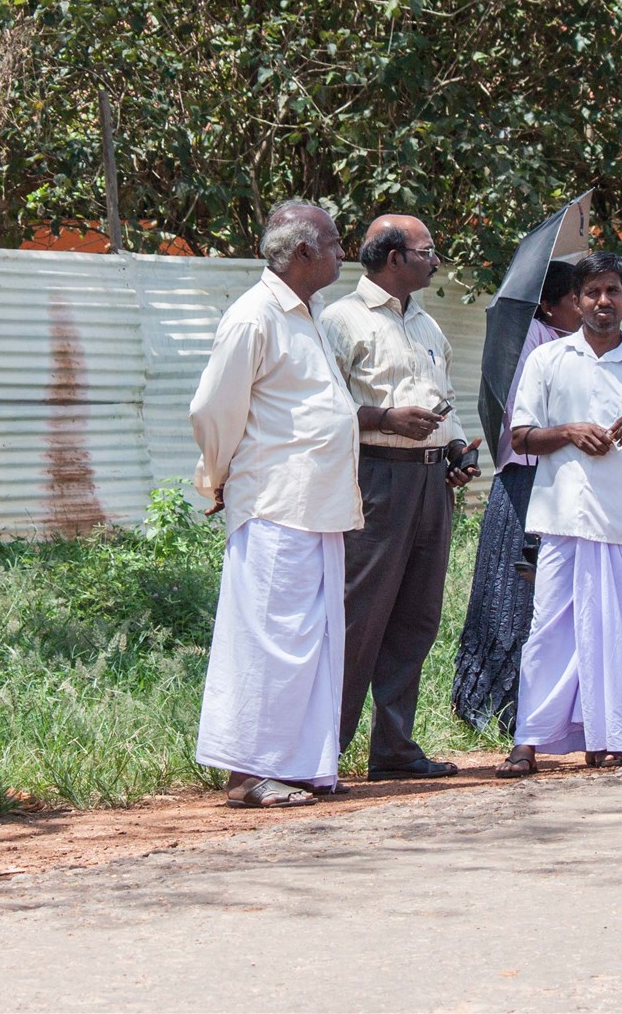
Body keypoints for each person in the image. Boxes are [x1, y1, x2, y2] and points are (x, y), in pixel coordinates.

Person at [188, 201, 359, 809]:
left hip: (318, 505)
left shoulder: (306, 313)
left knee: (310, 639)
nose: (345, 253)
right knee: (268, 637)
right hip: (275, 503)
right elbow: (214, 410)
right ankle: (248, 773)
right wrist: (216, 479)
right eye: (337, 244)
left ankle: (298, 763)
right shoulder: (254, 316)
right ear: (306, 252)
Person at [496, 252, 622, 776]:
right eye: (593, 293)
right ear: (576, 302)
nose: (604, 302)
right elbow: (520, 436)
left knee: (612, 630)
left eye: (613, 292)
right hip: (563, 517)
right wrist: (571, 432)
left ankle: (607, 739)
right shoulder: (549, 361)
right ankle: (528, 738)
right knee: (549, 629)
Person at [322, 215, 477, 782]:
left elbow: (447, 400)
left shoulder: (428, 327)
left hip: (430, 482)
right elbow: (325, 407)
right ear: (393, 258)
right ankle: (322, 752)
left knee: (416, 615)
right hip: (375, 477)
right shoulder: (340, 321)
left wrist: (457, 448)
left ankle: (393, 749)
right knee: (359, 615)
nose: (436, 260)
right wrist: (385, 418)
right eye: (427, 250)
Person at [451, 262, 579, 733]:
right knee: (512, 596)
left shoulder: (571, 345)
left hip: (556, 481)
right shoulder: (533, 342)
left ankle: (546, 705)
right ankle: (495, 707)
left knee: (548, 597)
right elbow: (526, 418)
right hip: (525, 480)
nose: (586, 308)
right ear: (549, 305)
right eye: (576, 299)